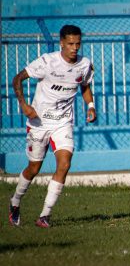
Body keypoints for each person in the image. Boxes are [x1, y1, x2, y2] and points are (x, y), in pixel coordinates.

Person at [9, 25, 97, 228]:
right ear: (62, 44)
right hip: (39, 122)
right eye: (70, 44)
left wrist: (90, 106)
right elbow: (18, 78)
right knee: (34, 168)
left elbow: (84, 85)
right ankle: (15, 202)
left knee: (64, 163)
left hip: (63, 122)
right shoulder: (48, 62)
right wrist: (24, 105)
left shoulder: (84, 64)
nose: (75, 48)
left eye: (78, 44)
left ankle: (44, 216)